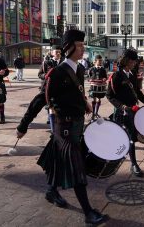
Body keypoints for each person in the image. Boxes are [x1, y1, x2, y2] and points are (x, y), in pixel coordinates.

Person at [33, 29, 108, 224]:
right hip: (63, 126)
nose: (83, 49)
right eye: (80, 45)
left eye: (84, 45)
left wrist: (85, 103)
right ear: (69, 47)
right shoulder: (56, 73)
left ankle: (51, 190)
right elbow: (41, 99)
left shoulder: (80, 69)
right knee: (77, 169)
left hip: (76, 125)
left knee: (58, 159)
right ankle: (88, 213)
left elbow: (78, 91)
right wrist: (24, 125)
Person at [107, 49, 144, 177]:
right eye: (133, 61)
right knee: (124, 137)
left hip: (133, 110)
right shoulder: (116, 76)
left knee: (131, 137)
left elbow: (137, 92)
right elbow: (109, 95)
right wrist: (122, 107)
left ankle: (133, 163)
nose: (135, 63)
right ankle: (130, 163)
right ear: (127, 61)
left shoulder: (131, 75)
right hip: (123, 112)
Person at [16, 45, 63, 136]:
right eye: (56, 51)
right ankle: (53, 132)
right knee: (47, 108)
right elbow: (40, 74)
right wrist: (45, 76)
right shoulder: (46, 62)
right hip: (47, 89)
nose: (57, 53)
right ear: (52, 53)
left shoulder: (64, 63)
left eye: (59, 52)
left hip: (61, 90)